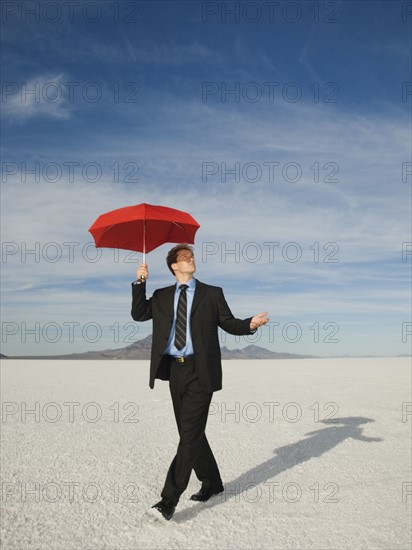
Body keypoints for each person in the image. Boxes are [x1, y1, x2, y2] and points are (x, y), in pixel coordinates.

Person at [131, 243, 269, 520]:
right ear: (174, 266)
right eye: (184, 257)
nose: (190, 258)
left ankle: (168, 501)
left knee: (190, 435)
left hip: (201, 371)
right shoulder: (161, 295)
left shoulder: (211, 293)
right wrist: (140, 282)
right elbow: (139, 314)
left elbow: (228, 323)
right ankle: (213, 483)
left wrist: (249, 325)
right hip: (174, 370)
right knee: (190, 433)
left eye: (191, 255)